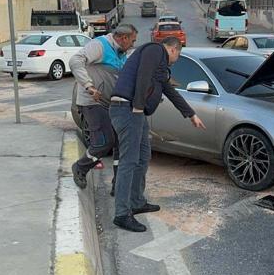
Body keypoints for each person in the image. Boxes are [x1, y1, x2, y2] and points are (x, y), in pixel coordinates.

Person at [109, 37, 206, 232]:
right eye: (177, 56)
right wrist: (137, 106)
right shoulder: (155, 50)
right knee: (129, 161)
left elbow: (170, 91)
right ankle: (121, 214)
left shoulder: (160, 69)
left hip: (135, 112)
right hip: (128, 109)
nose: (175, 60)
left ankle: (136, 201)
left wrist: (191, 114)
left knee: (144, 156)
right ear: (173, 49)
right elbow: (142, 76)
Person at [69, 24, 138, 190]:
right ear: (124, 38)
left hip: (112, 103)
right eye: (132, 41)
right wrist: (88, 85)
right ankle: (80, 167)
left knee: (120, 143)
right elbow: (75, 60)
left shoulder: (121, 52)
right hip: (93, 102)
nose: (133, 45)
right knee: (104, 143)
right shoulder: (100, 45)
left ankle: (118, 184)